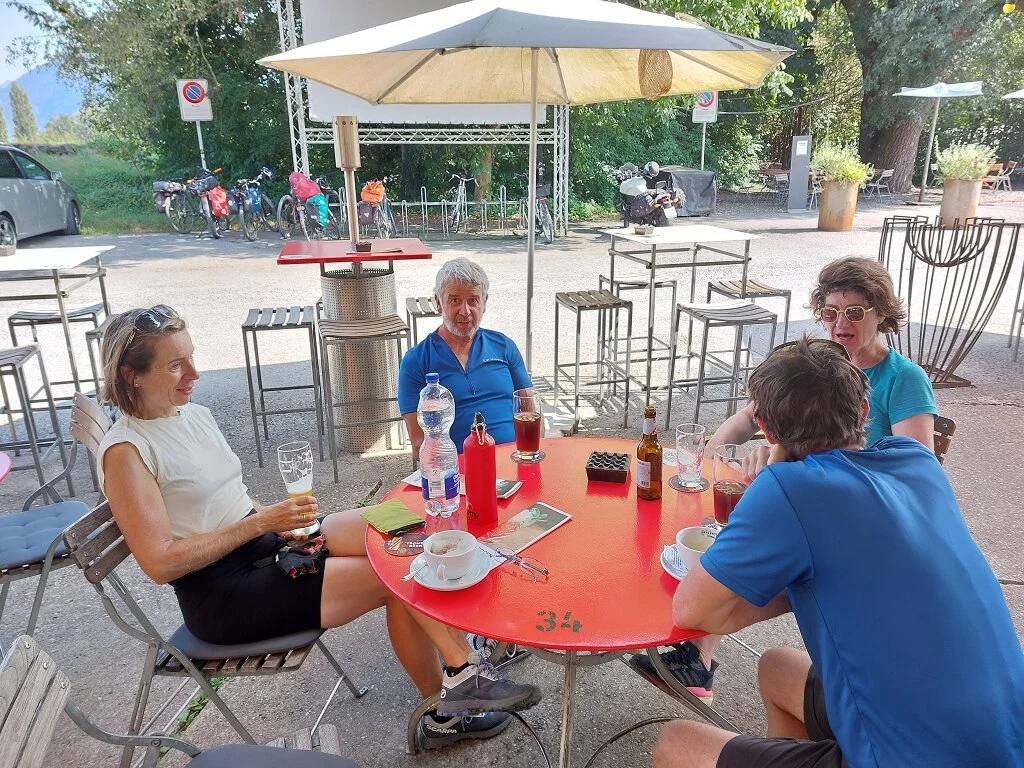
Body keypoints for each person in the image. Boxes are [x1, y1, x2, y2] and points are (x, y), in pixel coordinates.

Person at [97, 305, 541, 751]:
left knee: (401, 527)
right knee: (396, 577)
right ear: (131, 376)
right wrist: (261, 523)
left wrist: (276, 520)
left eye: (192, 357)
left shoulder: (191, 413)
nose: (194, 373)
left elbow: (226, 499)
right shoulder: (126, 452)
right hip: (222, 593)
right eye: (176, 365)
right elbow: (160, 562)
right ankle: (453, 701)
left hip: (262, 542)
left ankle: (463, 665)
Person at [653, 338, 1024, 768]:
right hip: (1004, 740)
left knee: (675, 743)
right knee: (777, 668)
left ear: (767, 431)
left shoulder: (787, 489)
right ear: (865, 411)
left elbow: (691, 611)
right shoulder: (917, 461)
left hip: (911, 758)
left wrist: (775, 579)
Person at [635, 256, 938, 699]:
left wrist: (785, 462)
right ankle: (699, 650)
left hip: (848, 512)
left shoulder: (902, 378)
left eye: (855, 311)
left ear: (882, 314)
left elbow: (913, 465)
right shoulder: (813, 364)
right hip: (807, 495)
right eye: (830, 311)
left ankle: (699, 643)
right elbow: (747, 420)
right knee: (725, 517)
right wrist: (712, 458)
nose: (840, 323)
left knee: (746, 536)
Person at [398, 257, 532, 454]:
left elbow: (531, 412)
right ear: (438, 303)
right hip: (457, 467)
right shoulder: (416, 361)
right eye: (455, 300)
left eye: (473, 300)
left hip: (515, 459)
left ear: (484, 302)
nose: (465, 311)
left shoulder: (503, 346)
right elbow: (420, 445)